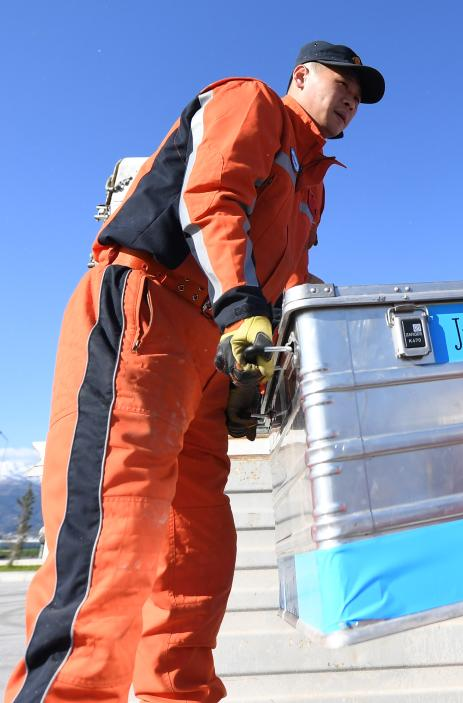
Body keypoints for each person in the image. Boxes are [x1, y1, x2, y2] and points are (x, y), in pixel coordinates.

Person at [5, 41, 384, 703]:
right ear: (301, 76)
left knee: (196, 556)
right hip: (150, 311)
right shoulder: (252, 102)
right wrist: (241, 306)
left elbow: (290, 285)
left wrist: (267, 370)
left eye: (361, 92)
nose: (351, 95)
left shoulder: (311, 182)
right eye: (341, 81)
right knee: (116, 536)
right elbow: (212, 196)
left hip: (213, 354)